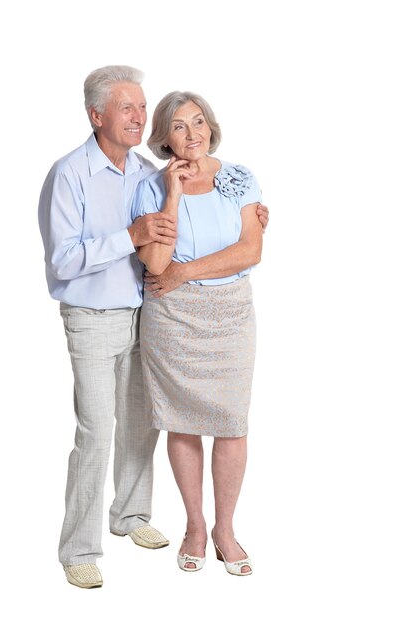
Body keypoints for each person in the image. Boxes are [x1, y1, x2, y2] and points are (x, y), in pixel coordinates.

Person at [38, 65, 269, 588]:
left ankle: (132, 516)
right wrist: (133, 233)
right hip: (97, 316)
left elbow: (232, 235)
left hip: (149, 313)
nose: (138, 117)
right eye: (127, 108)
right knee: (97, 431)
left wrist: (250, 216)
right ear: (96, 115)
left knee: (146, 422)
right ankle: (79, 547)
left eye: (143, 107)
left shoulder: (145, 170)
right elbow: (67, 260)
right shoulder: (71, 173)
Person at [131, 90, 264, 576]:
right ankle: (194, 525)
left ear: (211, 126)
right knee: (183, 420)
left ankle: (225, 529)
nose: (193, 133)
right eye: (180, 126)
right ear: (164, 137)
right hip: (173, 318)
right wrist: (174, 194)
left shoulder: (239, 178)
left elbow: (250, 251)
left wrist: (188, 272)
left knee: (231, 421)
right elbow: (157, 264)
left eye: (199, 122)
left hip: (230, 312)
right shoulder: (150, 187)